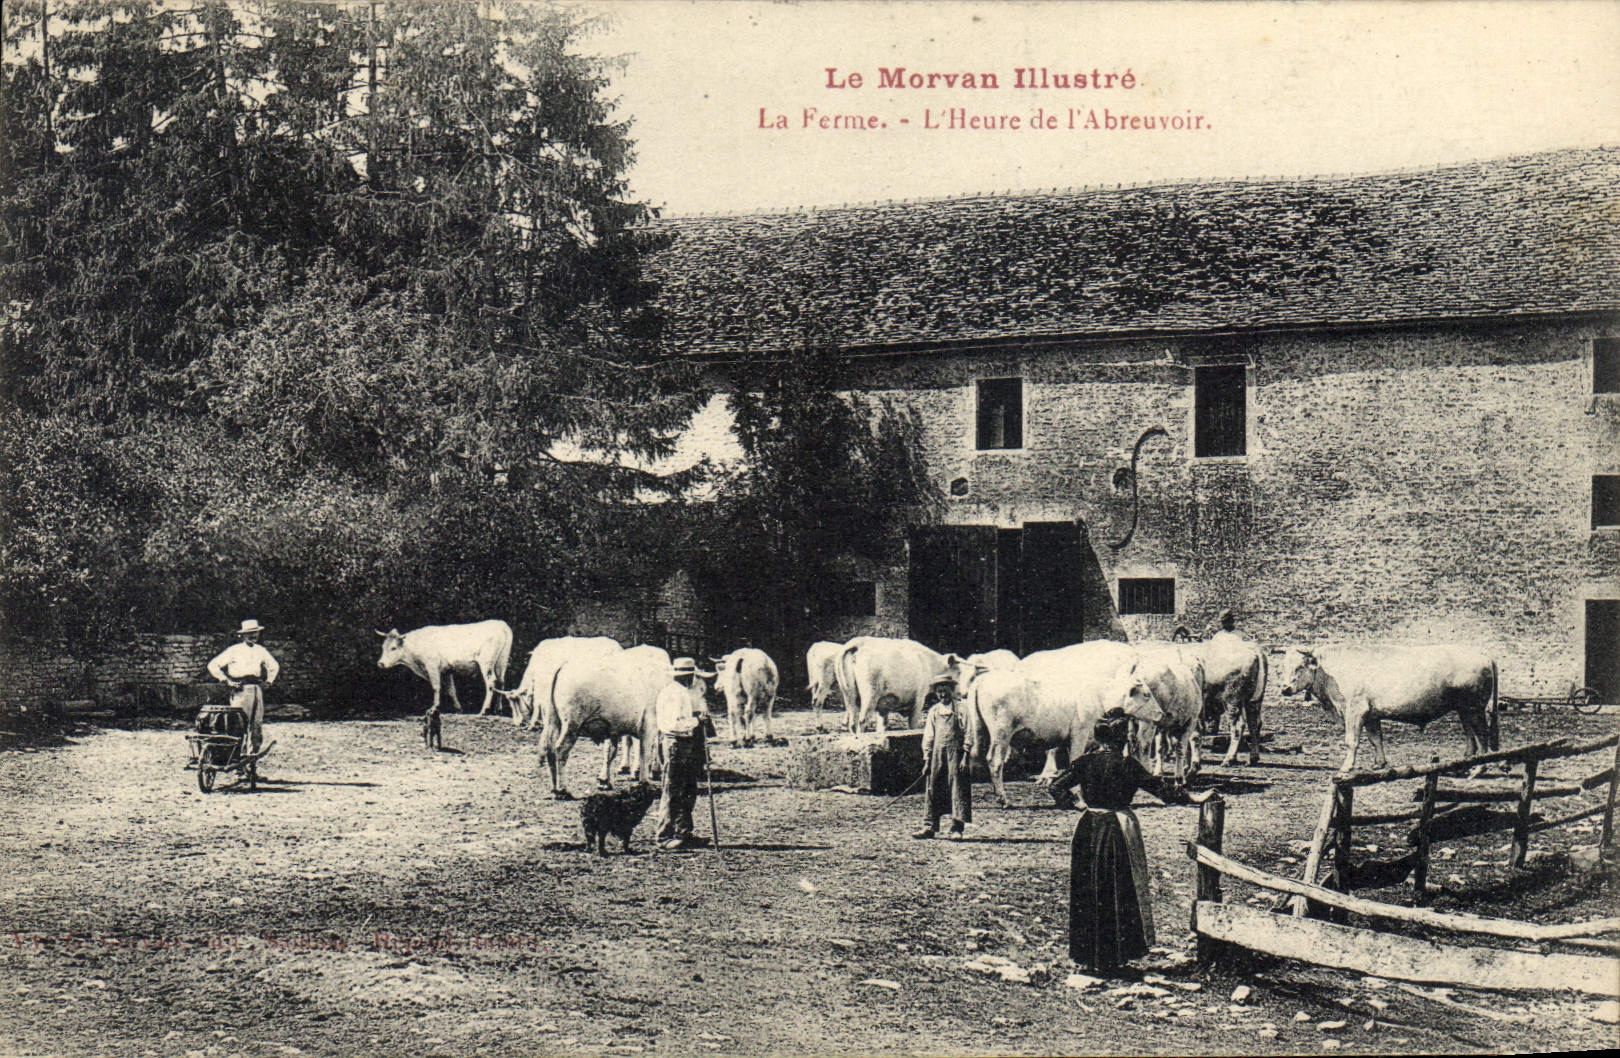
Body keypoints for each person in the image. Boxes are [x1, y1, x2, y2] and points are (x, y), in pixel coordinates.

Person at [1049, 708, 1212, 974]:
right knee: (1117, 890)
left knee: (1089, 890)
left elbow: (1055, 786)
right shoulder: (1127, 765)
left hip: (1088, 829)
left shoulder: (1084, 762)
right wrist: (1194, 798)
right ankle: (1114, 959)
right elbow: (1162, 790)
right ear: (1124, 738)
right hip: (1116, 830)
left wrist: (1076, 803)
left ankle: (1089, 958)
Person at [653, 656, 714, 851]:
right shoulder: (672, 694)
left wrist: (696, 719)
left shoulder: (683, 692)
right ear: (687, 676)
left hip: (687, 743)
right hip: (675, 743)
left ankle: (683, 832)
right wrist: (697, 721)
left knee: (688, 789)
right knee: (672, 790)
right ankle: (664, 836)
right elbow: (672, 724)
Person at [912, 672, 973, 840]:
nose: (942, 695)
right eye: (939, 692)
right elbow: (929, 736)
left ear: (951, 690)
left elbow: (969, 733)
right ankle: (929, 826)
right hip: (938, 755)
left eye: (945, 690)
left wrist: (965, 756)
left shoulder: (961, 708)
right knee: (933, 786)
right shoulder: (934, 711)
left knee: (957, 787)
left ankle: (956, 828)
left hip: (957, 754)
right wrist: (927, 760)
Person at [206, 619, 280, 755]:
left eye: (255, 633)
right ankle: (236, 758)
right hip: (240, 690)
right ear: (242, 635)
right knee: (238, 725)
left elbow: (274, 666)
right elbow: (213, 665)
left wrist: (268, 681)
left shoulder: (261, 650)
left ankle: (251, 760)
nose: (253, 636)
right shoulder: (234, 650)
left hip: (256, 689)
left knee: (256, 725)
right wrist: (226, 680)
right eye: (250, 633)